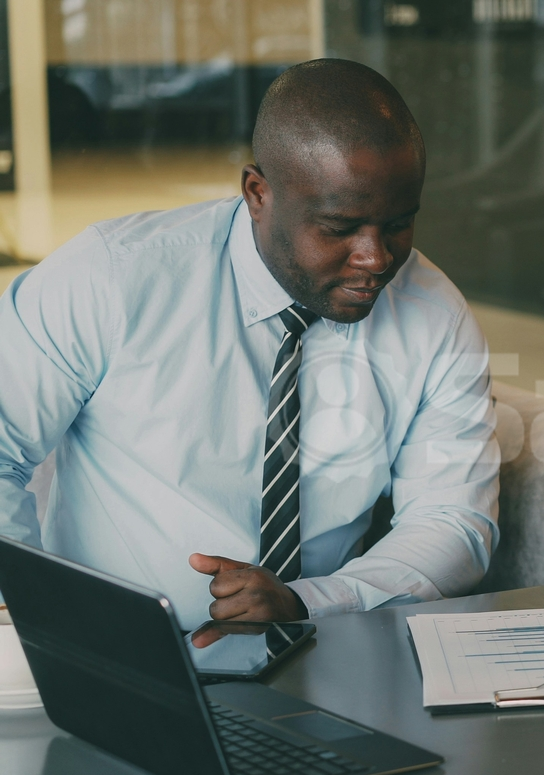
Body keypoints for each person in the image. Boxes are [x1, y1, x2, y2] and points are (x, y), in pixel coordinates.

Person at [0, 59, 499, 630]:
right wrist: (38, 627)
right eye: (339, 228)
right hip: (121, 658)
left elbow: (453, 521)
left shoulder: (434, 316)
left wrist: (310, 600)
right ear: (258, 192)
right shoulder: (112, 279)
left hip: (323, 659)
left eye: (398, 224)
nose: (376, 258)